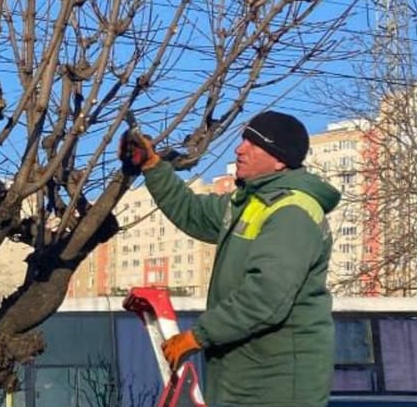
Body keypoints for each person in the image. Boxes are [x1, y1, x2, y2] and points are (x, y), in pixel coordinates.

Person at [118, 111, 340, 407]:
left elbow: (265, 296)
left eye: (253, 144)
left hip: (277, 386)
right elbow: (192, 212)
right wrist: (152, 165)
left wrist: (198, 336)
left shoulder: (293, 212)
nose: (239, 149)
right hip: (241, 376)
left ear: (279, 161)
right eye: (243, 140)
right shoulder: (249, 204)